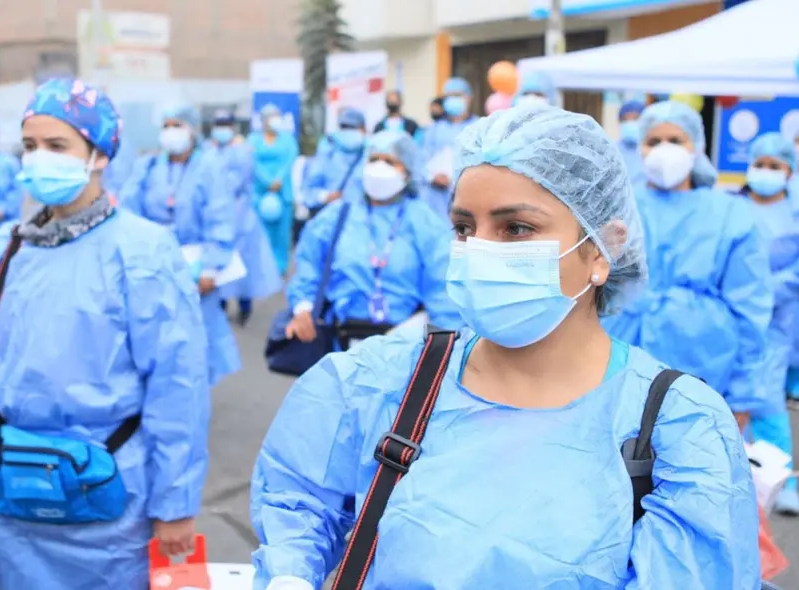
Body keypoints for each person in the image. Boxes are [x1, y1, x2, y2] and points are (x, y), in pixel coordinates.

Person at [251, 104, 761, 590]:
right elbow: (297, 496)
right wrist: (291, 573)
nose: (480, 252)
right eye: (464, 227)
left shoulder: (678, 429)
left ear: (603, 247)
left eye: (517, 228)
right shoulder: (386, 381)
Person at [0, 77, 210, 590]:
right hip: (17, 485)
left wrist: (176, 504)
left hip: (109, 494)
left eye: (57, 146)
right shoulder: (5, 249)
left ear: (99, 154)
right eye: (31, 146)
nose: (39, 159)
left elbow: (178, 386)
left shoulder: (144, 253)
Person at [604, 101, 773, 434]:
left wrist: (743, 395)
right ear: (639, 148)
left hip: (706, 366)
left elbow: (751, 309)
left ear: (696, 147)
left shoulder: (731, 215)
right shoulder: (617, 209)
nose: (664, 150)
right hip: (617, 362)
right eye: (653, 141)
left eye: (675, 140)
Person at [285, 129, 459, 350]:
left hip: (405, 347)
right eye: (374, 159)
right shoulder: (336, 216)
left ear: (407, 171)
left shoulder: (426, 223)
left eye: (390, 161)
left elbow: (443, 288)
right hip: (341, 344)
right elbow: (309, 264)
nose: (380, 167)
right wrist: (302, 308)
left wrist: (442, 342)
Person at [119, 102, 241, 387]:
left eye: (178, 126)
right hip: (152, 266)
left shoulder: (210, 167)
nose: (171, 132)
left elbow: (220, 216)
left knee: (196, 339)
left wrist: (211, 267)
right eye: (166, 126)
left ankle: (194, 392)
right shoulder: (147, 166)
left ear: (192, 130)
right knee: (152, 335)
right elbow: (129, 212)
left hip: (196, 269)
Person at [738, 132, 799, 515]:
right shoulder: (729, 207)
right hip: (735, 317)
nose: (765, 171)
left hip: (778, 320)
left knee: (768, 397)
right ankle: (739, 475)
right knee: (732, 393)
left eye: (774, 166)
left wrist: (763, 289)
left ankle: (783, 481)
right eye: (760, 163)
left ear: (788, 171)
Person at [209, 109, 282, 325]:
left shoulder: (242, 151)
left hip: (241, 217)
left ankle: (244, 307)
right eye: (218, 124)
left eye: (225, 124)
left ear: (232, 127)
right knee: (217, 266)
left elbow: (239, 182)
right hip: (217, 218)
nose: (221, 129)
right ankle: (218, 308)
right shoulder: (209, 152)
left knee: (242, 265)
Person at [248, 104, 299, 275]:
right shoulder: (253, 140)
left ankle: (281, 266)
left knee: (282, 233)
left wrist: (278, 180)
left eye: (278, 115)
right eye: (272, 116)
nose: (276, 119)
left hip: (282, 192)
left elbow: (290, 159)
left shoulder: (288, 139)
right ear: (263, 120)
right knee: (261, 232)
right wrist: (267, 181)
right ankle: (262, 266)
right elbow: (252, 162)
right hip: (260, 192)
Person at [419, 77, 478, 219]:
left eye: (457, 96)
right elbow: (420, 160)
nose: (453, 100)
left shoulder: (479, 127)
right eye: (449, 97)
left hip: (468, 194)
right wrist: (432, 176)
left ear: (468, 98)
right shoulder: (432, 130)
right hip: (435, 197)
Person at [300, 107, 367, 212]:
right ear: (362, 128)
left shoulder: (327, 146)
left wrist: (326, 196)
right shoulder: (371, 149)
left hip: (330, 217)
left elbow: (308, 191)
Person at [615, 100, 645, 184]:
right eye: (624, 120)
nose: (629, 123)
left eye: (636, 118)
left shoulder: (651, 149)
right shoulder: (613, 151)